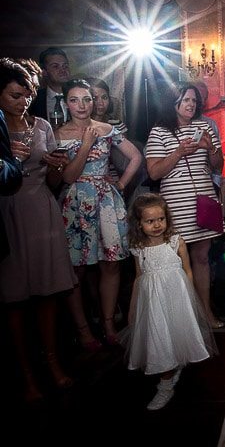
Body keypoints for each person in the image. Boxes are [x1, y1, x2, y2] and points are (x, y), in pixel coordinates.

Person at [0, 58, 77, 401]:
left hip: (42, 208)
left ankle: (52, 361)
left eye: (27, 95)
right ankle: (25, 372)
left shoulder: (43, 125)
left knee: (48, 292)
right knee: (14, 298)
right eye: (16, 95)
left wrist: (56, 165)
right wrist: (10, 161)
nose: (23, 102)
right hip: (9, 211)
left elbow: (56, 181)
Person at [57, 79, 142, 346]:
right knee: (77, 269)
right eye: (74, 100)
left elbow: (136, 157)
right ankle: (83, 329)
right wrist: (85, 144)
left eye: (87, 99)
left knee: (111, 263)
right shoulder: (58, 134)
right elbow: (68, 177)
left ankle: (108, 324)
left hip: (106, 200)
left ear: (94, 102)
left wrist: (120, 184)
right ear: (66, 103)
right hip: (75, 202)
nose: (81, 105)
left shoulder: (106, 129)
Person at [123, 193, 217, 411]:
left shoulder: (176, 241)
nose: (157, 225)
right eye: (150, 221)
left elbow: (188, 272)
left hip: (177, 299)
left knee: (175, 335)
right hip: (154, 304)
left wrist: (190, 300)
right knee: (160, 340)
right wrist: (133, 307)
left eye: (161, 219)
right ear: (139, 223)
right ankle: (167, 381)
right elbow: (139, 278)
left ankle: (166, 382)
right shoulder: (139, 248)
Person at [145, 83, 225, 327]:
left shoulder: (204, 127)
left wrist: (210, 148)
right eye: (185, 100)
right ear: (173, 103)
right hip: (175, 203)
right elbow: (154, 172)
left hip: (203, 198)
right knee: (178, 260)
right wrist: (178, 152)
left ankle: (206, 313)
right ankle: (184, 318)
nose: (191, 104)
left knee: (201, 257)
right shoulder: (159, 132)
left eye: (193, 100)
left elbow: (217, 166)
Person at [30, 47, 70, 125]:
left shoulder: (81, 95)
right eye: (55, 66)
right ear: (44, 72)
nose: (63, 70)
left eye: (65, 66)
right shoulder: (33, 99)